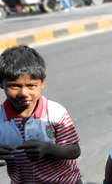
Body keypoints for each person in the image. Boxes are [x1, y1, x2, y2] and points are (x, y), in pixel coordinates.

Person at [0, 45, 82, 183]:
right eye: (15, 86)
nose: (23, 93)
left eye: (31, 86)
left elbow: (74, 150)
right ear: (1, 84)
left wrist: (49, 148)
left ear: (42, 83)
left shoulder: (55, 113)